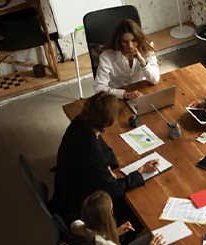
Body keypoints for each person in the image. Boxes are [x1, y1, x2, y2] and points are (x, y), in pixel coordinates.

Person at [50, 91, 158, 223]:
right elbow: (113, 190)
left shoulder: (81, 121)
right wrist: (140, 171)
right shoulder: (92, 151)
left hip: (66, 181)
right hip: (77, 203)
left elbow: (99, 140)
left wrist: (110, 165)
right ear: (108, 120)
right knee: (139, 206)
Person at [93, 19, 160, 100]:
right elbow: (98, 88)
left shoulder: (146, 48)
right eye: (125, 42)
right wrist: (124, 94)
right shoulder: (107, 56)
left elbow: (155, 79)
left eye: (133, 40)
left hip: (141, 91)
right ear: (119, 41)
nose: (130, 46)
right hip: (117, 96)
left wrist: (142, 61)